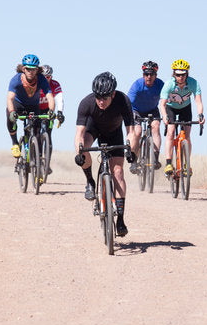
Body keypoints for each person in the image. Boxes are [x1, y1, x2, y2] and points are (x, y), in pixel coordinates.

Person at [74, 72, 137, 237]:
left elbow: (131, 132)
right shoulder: (86, 103)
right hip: (93, 129)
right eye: (98, 97)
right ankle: (90, 182)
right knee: (84, 147)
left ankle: (121, 219)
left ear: (113, 94)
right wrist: (79, 153)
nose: (101, 101)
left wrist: (132, 152)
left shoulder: (123, 101)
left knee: (118, 172)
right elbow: (79, 135)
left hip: (114, 133)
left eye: (105, 98)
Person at [158, 59, 205, 176]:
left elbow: (198, 102)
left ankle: (186, 165)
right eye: (178, 75)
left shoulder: (193, 83)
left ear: (187, 74)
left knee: (187, 135)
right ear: (174, 74)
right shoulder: (169, 84)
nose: (180, 77)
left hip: (185, 108)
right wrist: (164, 117)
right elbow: (162, 104)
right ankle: (168, 163)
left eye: (183, 74)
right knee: (171, 131)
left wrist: (200, 115)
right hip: (170, 108)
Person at [5, 54, 54, 158]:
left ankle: (36, 161)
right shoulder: (16, 80)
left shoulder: (41, 79)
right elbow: (10, 98)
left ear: (37, 70)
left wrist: (51, 110)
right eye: (28, 69)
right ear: (23, 69)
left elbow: (50, 97)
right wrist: (12, 112)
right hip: (18, 104)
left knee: (37, 132)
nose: (31, 72)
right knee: (9, 115)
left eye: (33, 69)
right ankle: (15, 143)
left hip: (33, 106)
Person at [127, 60, 165, 174]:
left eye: (151, 74)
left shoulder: (160, 84)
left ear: (155, 75)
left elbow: (166, 100)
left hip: (152, 110)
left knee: (156, 127)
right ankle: (134, 161)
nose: (149, 76)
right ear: (143, 75)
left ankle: (155, 158)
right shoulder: (137, 85)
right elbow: (128, 103)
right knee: (137, 132)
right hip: (136, 111)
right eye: (146, 74)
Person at [38, 64, 65, 174]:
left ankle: (47, 164)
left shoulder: (55, 84)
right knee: (36, 133)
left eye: (48, 77)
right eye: (43, 77)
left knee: (48, 135)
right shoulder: (36, 83)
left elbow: (60, 99)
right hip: (36, 109)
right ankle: (36, 157)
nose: (46, 79)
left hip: (48, 110)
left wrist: (60, 112)